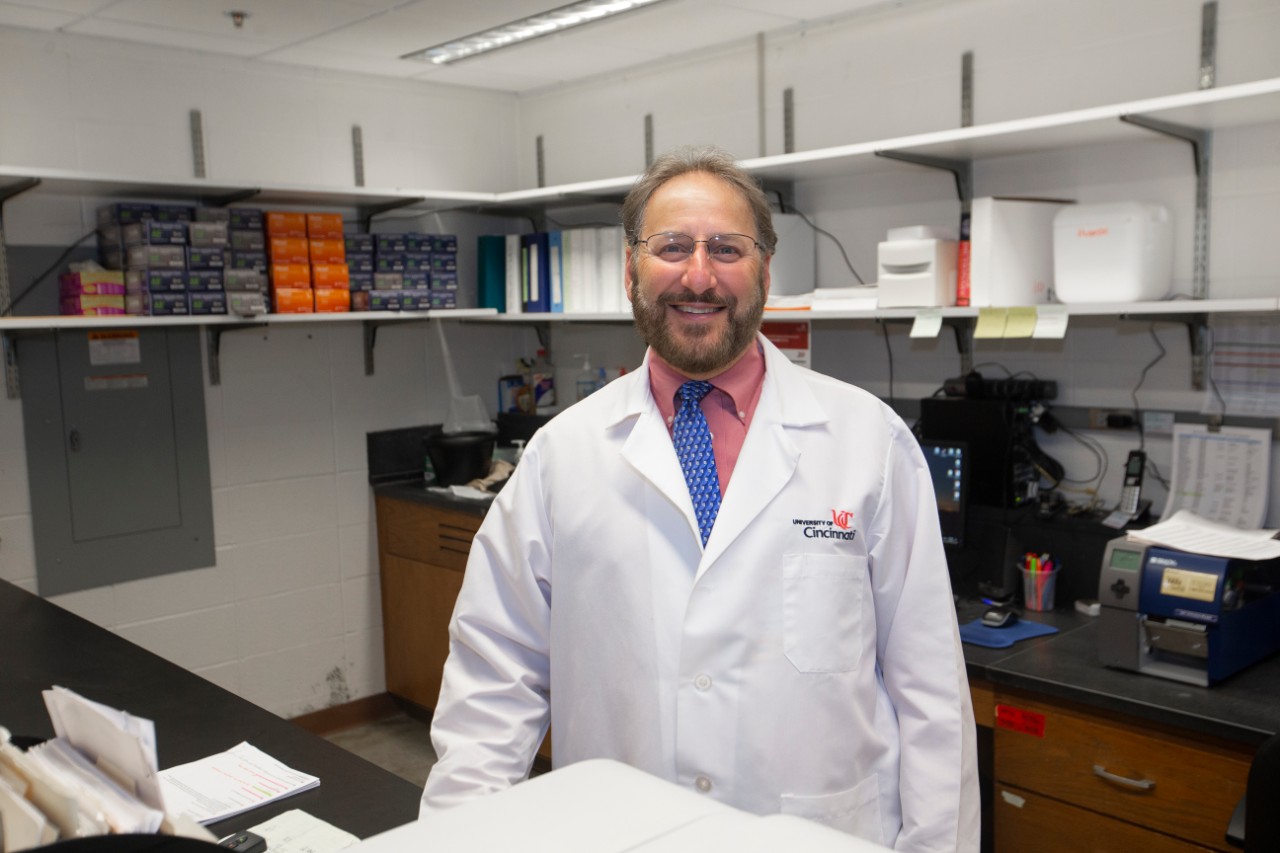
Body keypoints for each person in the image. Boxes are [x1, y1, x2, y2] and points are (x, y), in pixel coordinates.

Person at [422, 144, 980, 851]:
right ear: (632, 269)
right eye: (672, 246)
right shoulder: (562, 457)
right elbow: (492, 685)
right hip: (623, 836)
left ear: (764, 271)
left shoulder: (867, 442)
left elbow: (930, 690)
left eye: (726, 248)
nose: (698, 274)